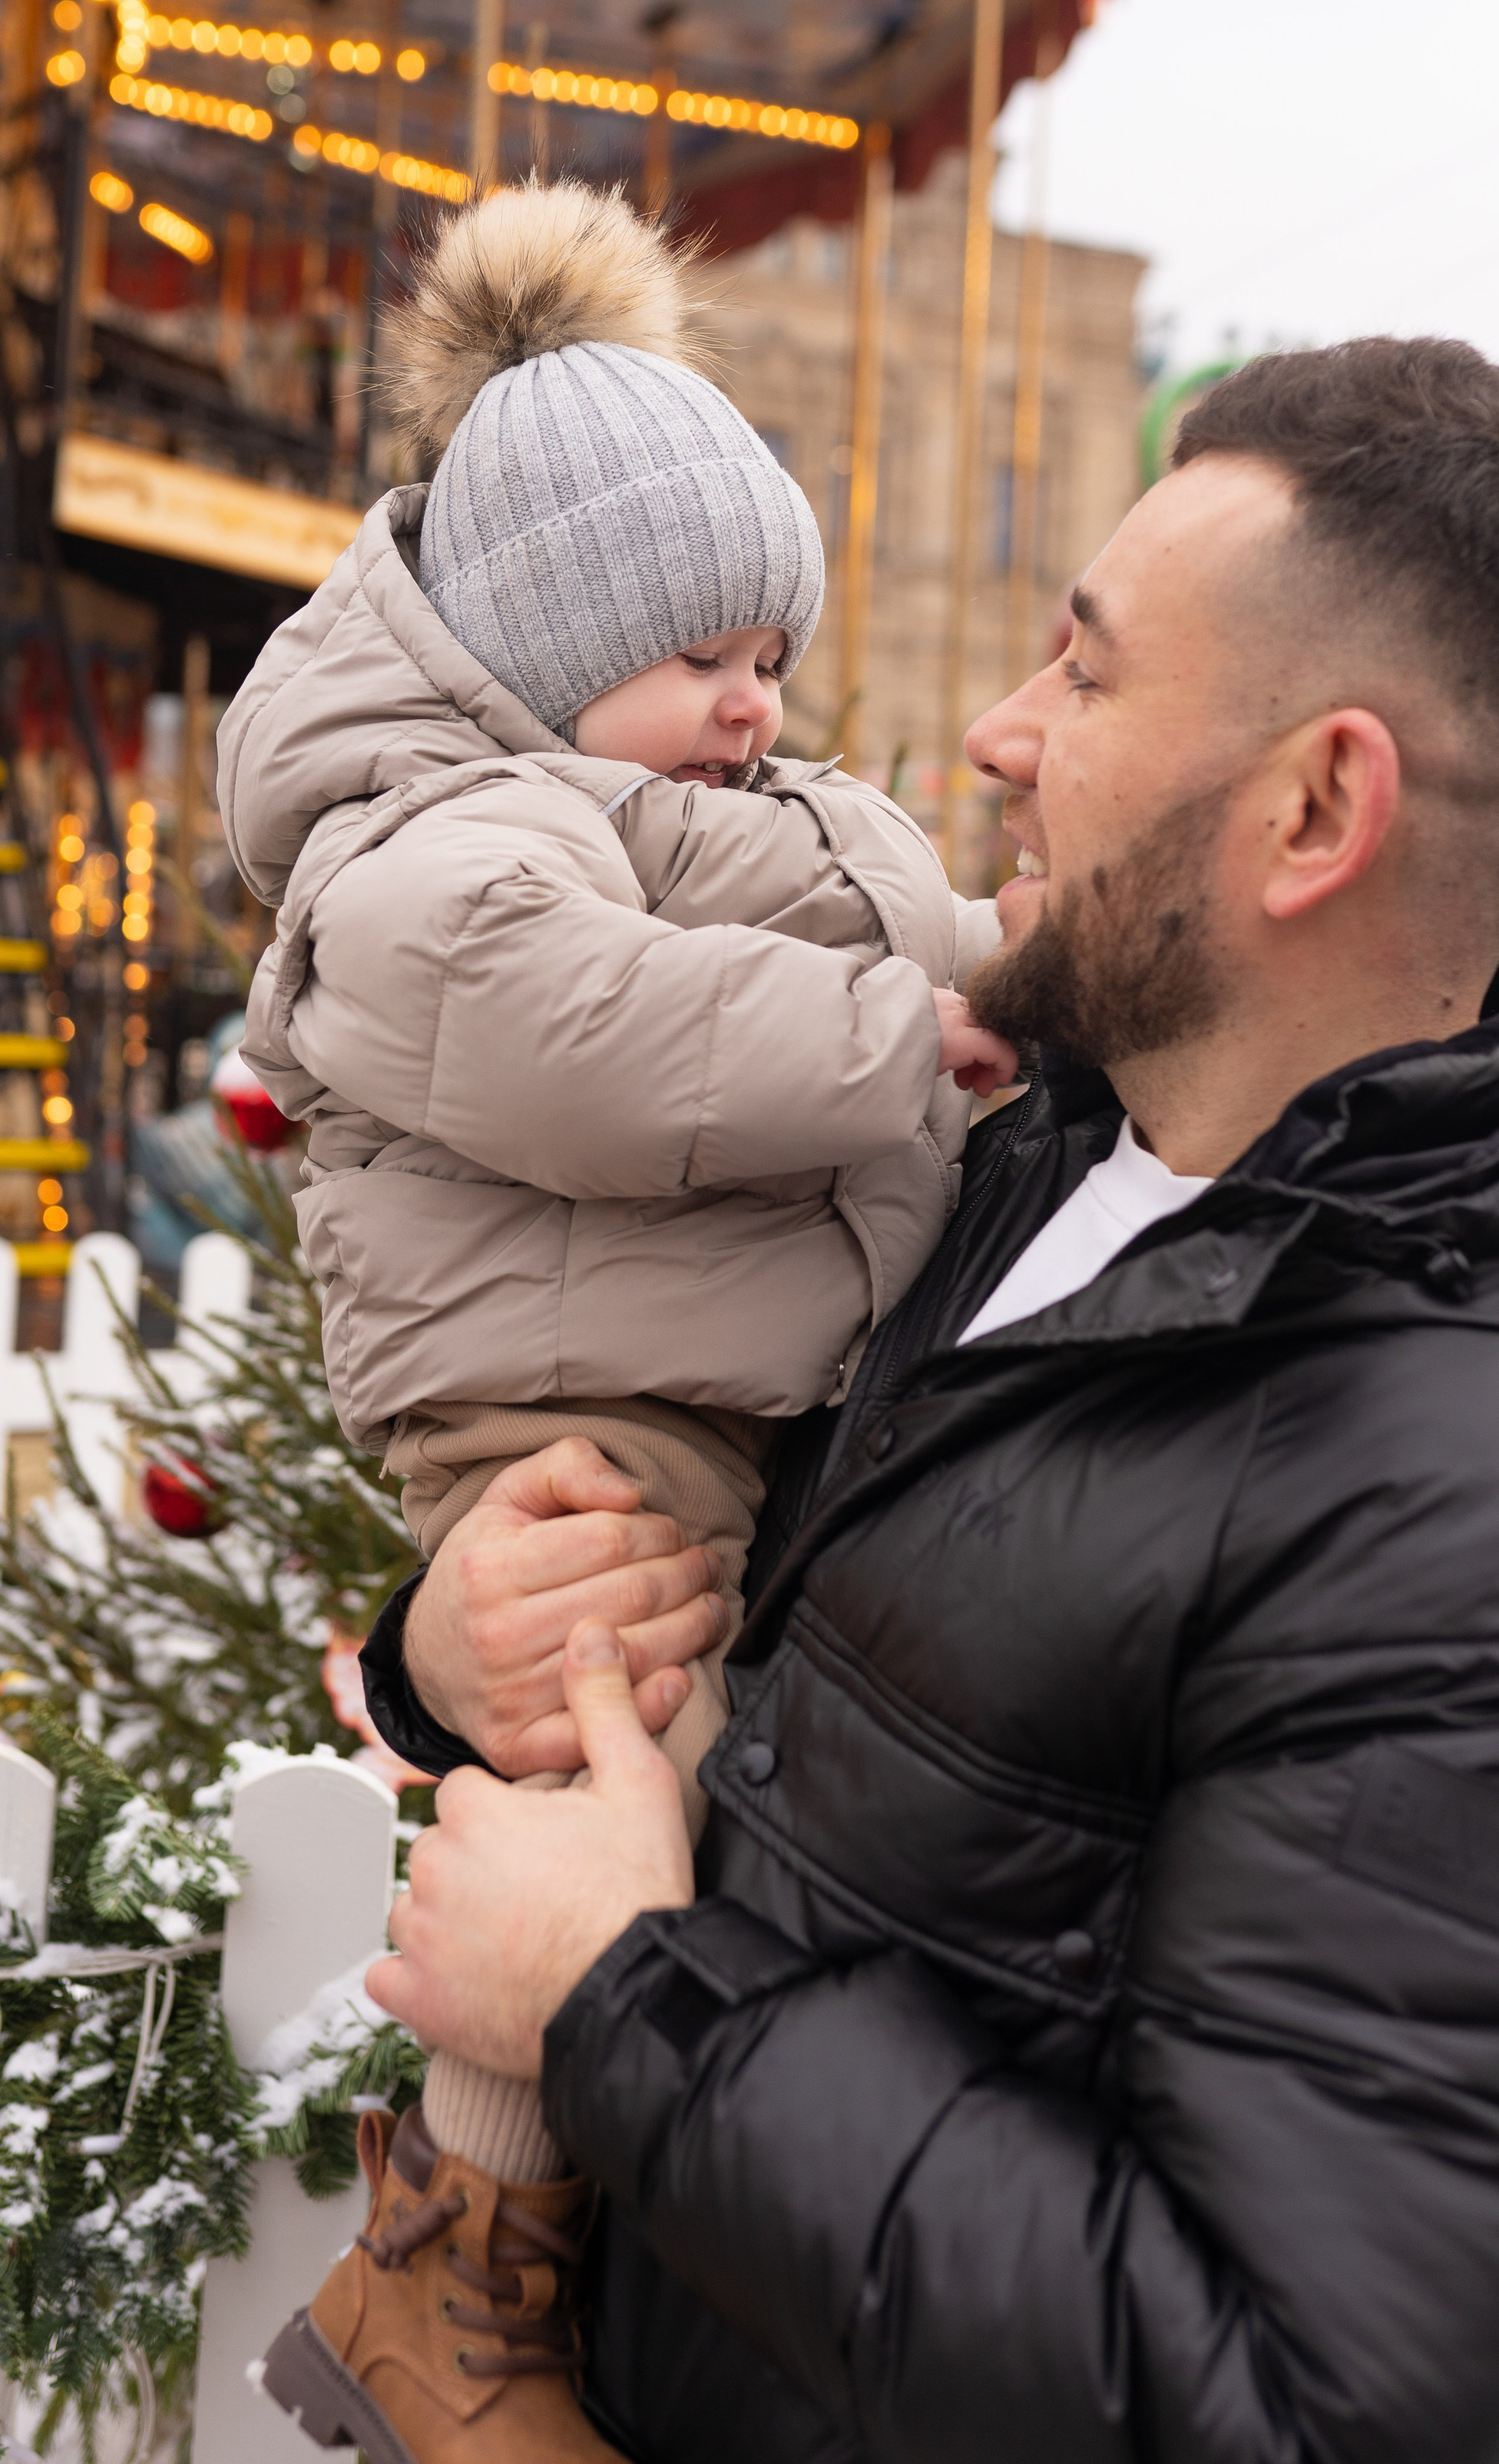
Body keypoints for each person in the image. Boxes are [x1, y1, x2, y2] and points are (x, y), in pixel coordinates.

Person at [360, 337, 1499, 2464]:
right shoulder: (1017, 1156)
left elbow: (1318, 2417)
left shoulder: (1490, 1525)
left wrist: (621, 2000)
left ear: (1316, 806)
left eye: (1084, 672)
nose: (995, 735)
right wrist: (454, 1647)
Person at [216, 180, 1011, 2464]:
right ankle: (454, 2286)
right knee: (608, 1744)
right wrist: (908, 1040)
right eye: (702, 657)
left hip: (693, 1365)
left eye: (774, 652)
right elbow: (587, 1035)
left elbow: (905, 929)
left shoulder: (700, 798)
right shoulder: (437, 843)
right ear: (547, 647)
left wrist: (1012, 962)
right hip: (569, 1398)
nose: (757, 704)